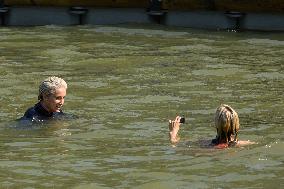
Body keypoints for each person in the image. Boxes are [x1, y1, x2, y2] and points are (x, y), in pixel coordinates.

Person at [169, 104, 255, 148]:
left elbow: (176, 147)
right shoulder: (245, 144)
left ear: (216, 124)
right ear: (237, 125)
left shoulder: (210, 148)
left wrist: (173, 133)